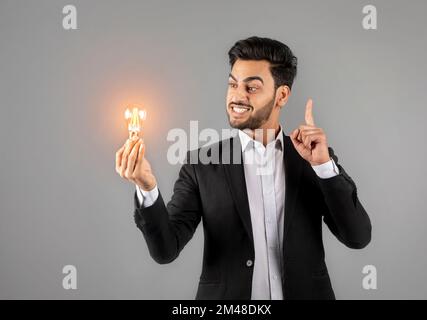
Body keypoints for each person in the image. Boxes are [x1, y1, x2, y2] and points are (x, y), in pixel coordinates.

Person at [115, 36, 371, 300]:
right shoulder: (202, 163)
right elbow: (165, 250)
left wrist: (323, 167)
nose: (237, 96)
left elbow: (358, 237)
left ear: (281, 95)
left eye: (251, 88)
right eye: (232, 84)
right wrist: (147, 188)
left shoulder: (313, 158)